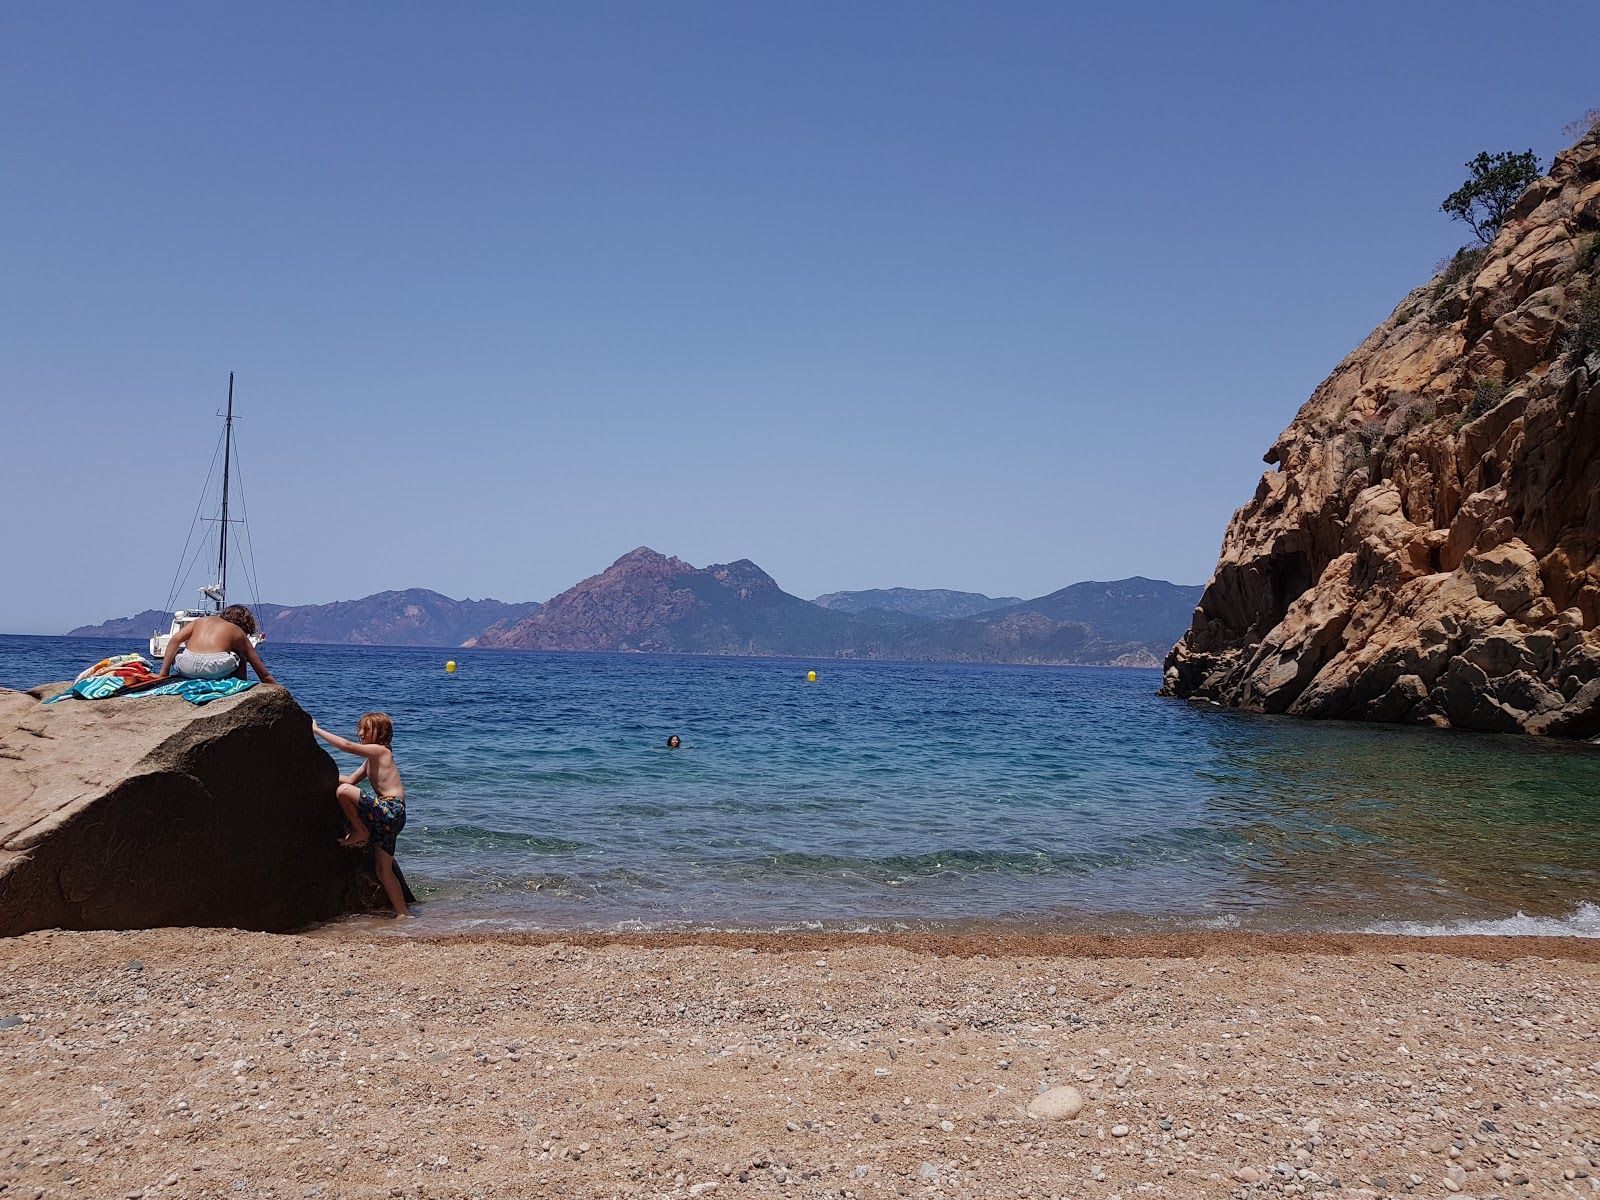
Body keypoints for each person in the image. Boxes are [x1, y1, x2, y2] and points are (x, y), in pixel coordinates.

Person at [312, 712, 410, 919]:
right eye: (360, 729)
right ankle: (403, 914)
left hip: (390, 809)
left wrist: (317, 730)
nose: (360, 733)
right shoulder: (371, 761)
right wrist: (319, 773)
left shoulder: (381, 751)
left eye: (366, 729)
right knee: (383, 870)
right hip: (394, 818)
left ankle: (360, 830)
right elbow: (350, 779)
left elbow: (347, 747)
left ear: (382, 733)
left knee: (343, 792)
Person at [157, 605, 277, 684]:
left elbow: (175, 640)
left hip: (186, 665)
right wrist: (273, 686)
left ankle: (172, 674)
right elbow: (263, 674)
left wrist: (163, 673)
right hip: (214, 668)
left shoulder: (201, 620)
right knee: (239, 656)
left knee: (177, 650)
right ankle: (240, 685)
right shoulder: (237, 631)